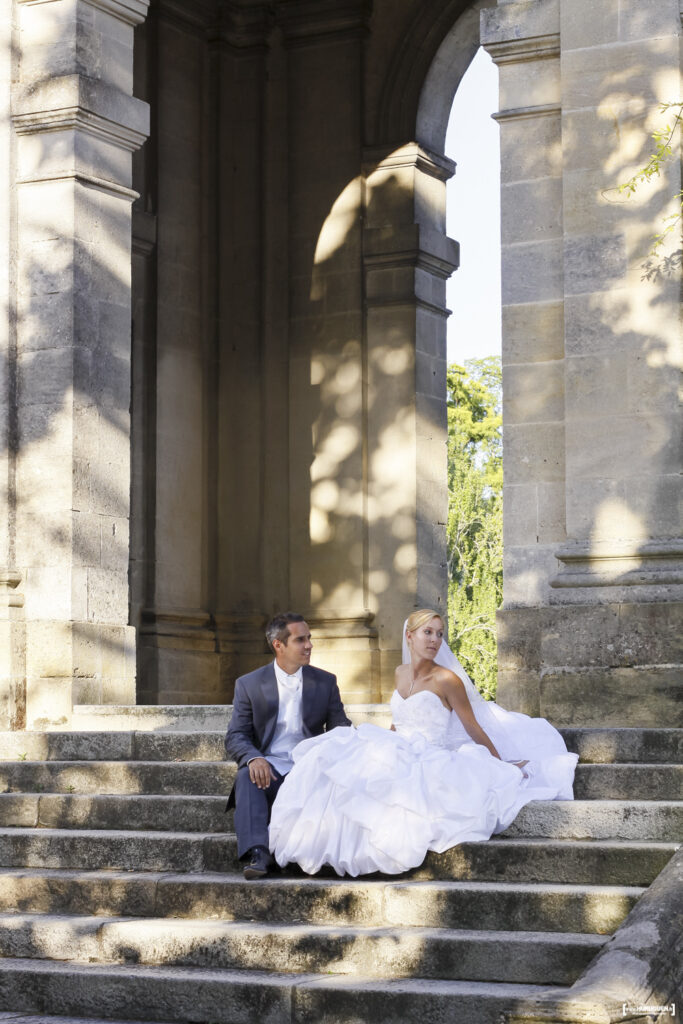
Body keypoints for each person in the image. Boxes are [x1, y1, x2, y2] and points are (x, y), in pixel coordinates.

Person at [268, 608, 578, 877]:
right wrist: (381, 745)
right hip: (399, 746)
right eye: (427, 632)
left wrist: (500, 764)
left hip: (431, 753)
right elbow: (397, 719)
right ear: (409, 637)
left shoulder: (447, 680)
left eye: (439, 634)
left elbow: (472, 726)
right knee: (342, 763)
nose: (434, 640)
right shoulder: (399, 672)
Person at [225, 611, 351, 879]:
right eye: (300, 640)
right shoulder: (248, 685)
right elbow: (236, 735)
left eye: (309, 638)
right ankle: (258, 853)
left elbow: (340, 727)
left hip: (309, 771)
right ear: (278, 645)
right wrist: (253, 757)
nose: (309, 645)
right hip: (269, 770)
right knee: (247, 775)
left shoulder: (325, 682)